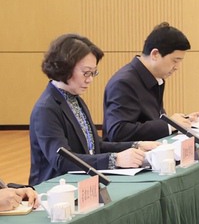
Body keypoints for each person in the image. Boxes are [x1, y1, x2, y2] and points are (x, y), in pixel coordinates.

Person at [30, 34, 155, 184]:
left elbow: (94, 145)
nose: (90, 79)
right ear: (65, 68)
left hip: (81, 182)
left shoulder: (74, 99)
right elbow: (61, 159)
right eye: (86, 72)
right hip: (55, 188)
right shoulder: (46, 109)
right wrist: (115, 159)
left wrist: (136, 145)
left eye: (93, 73)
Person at [103, 22, 199, 143]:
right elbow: (118, 131)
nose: (177, 67)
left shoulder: (154, 78)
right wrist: (169, 125)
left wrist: (183, 121)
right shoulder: (124, 83)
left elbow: (151, 120)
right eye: (175, 60)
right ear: (155, 54)